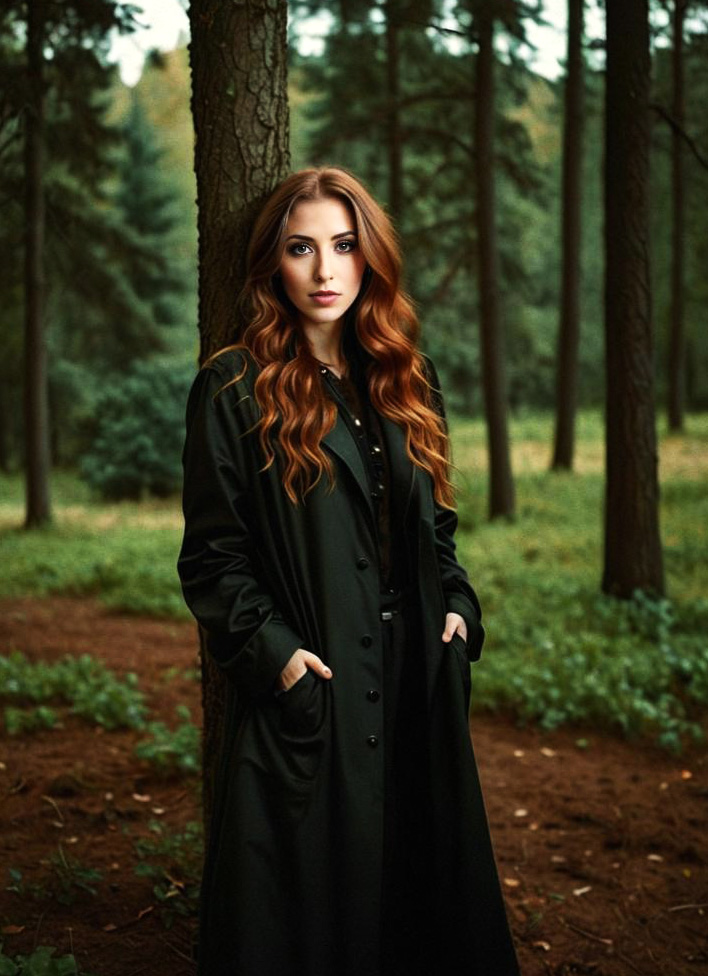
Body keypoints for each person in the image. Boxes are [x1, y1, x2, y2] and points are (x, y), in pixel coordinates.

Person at [177, 166, 520, 976]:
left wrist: (460, 609)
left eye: (343, 246)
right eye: (302, 249)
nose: (325, 271)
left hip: (416, 680)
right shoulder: (234, 388)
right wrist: (280, 660)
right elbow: (213, 560)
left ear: (370, 258)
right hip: (318, 682)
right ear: (274, 263)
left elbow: (436, 528)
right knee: (308, 916)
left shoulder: (408, 377)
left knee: (423, 898)